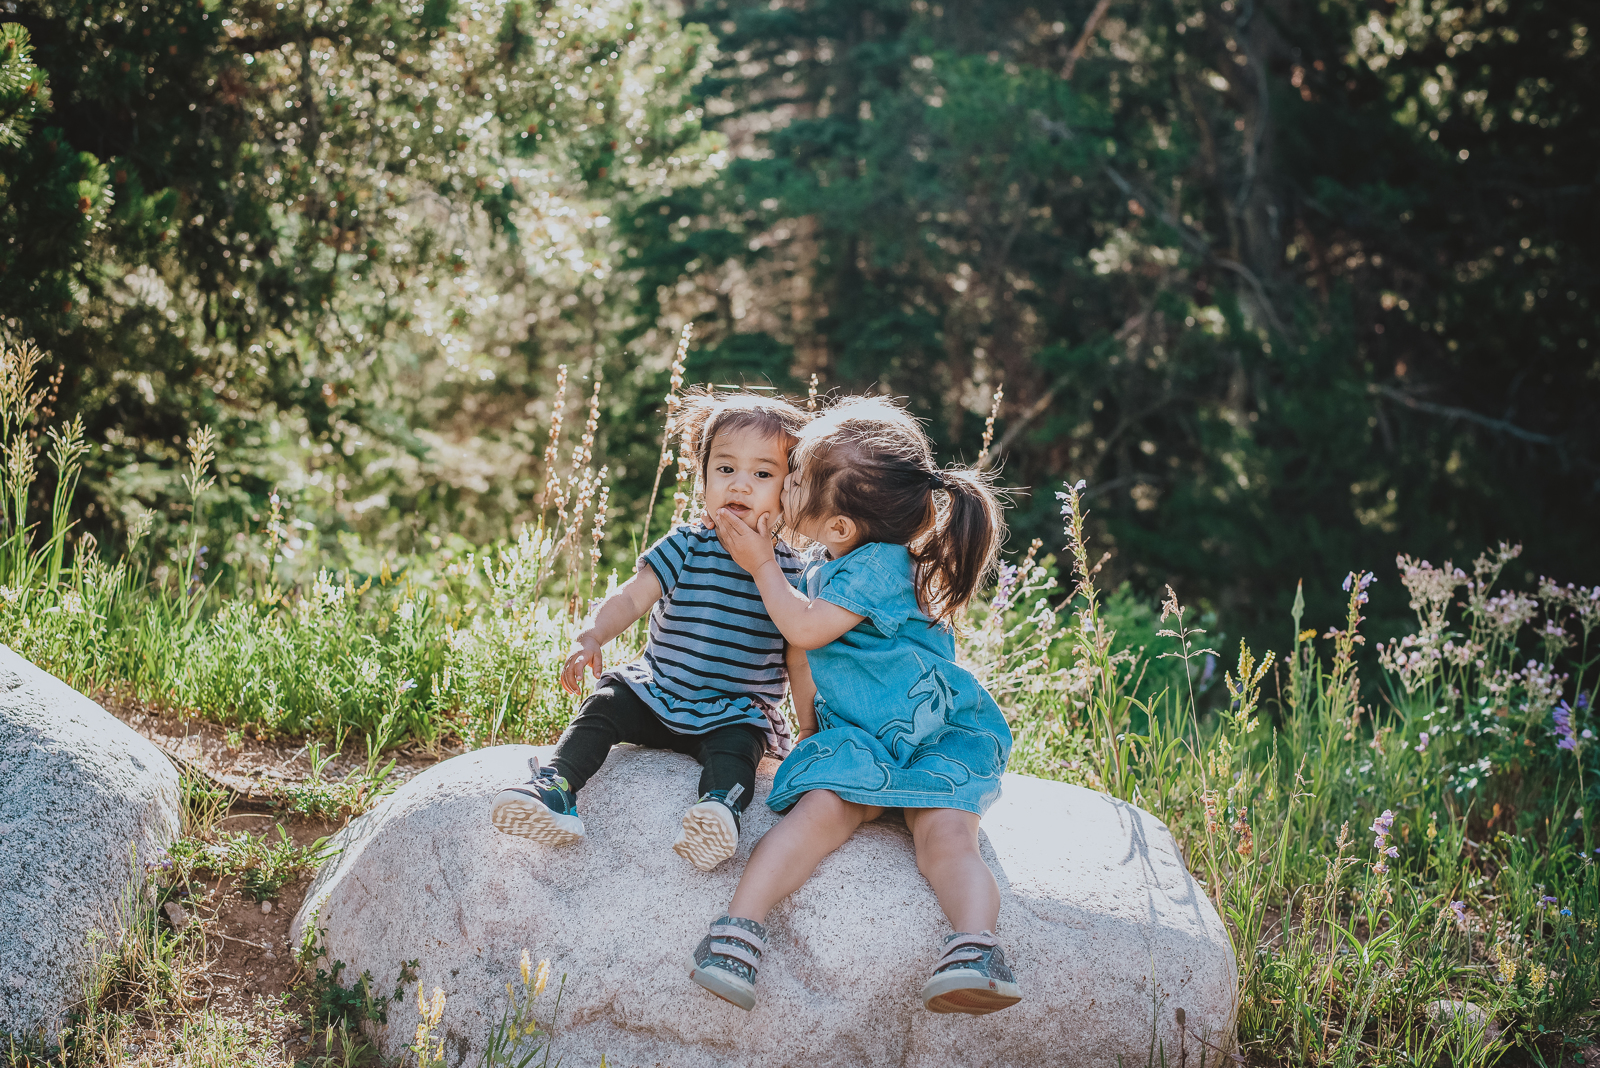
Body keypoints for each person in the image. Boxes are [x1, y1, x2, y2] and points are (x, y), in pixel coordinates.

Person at [686, 396, 1021, 1015]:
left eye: (796, 480)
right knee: (815, 816)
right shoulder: (832, 561)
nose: (781, 486)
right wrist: (810, 729)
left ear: (838, 525)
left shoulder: (880, 567)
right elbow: (804, 658)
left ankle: (975, 949)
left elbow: (805, 630)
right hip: (863, 740)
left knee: (945, 837)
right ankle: (739, 930)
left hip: (930, 736)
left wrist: (762, 566)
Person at [490, 392, 810, 872]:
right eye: (725, 469)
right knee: (605, 702)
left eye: (762, 474)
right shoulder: (686, 544)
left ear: (792, 490)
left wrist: (809, 727)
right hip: (658, 692)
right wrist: (592, 634)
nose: (740, 485)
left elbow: (799, 655)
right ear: (703, 476)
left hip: (733, 709)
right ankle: (556, 787)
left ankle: (719, 811)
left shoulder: (793, 574)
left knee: (741, 748)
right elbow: (633, 596)